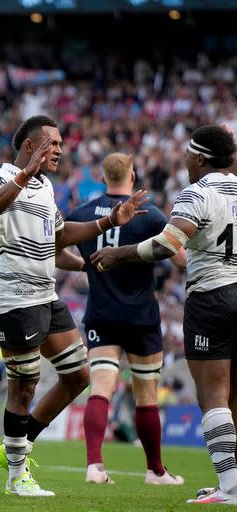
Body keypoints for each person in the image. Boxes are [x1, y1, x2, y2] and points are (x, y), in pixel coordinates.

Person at [0, 115, 147, 497]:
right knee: (24, 385)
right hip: (14, 296)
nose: (60, 150)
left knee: (78, 376)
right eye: (52, 143)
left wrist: (107, 224)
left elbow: (61, 234)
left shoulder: (45, 187)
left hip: (45, 294)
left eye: (61, 144)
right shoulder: (1, 177)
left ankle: (17, 445)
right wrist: (23, 176)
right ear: (30, 146)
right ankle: (16, 477)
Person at [91, 125, 237, 505]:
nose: (184, 161)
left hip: (212, 297)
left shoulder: (198, 192)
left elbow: (168, 244)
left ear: (201, 159)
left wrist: (117, 253)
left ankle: (231, 487)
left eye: (188, 155)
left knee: (214, 398)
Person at [66, 152, 185, 485]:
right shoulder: (149, 214)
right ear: (132, 176)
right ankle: (155, 471)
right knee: (146, 393)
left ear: (103, 178)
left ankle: (94, 465)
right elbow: (180, 260)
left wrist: (82, 265)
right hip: (140, 315)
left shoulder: (84, 213)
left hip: (101, 313)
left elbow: (57, 242)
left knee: (100, 388)